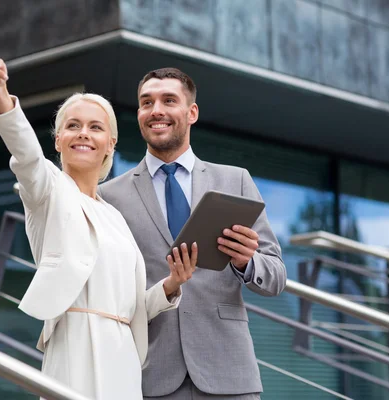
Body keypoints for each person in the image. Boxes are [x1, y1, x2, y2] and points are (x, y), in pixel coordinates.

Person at [0, 45, 196, 399]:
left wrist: (171, 285)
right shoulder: (47, 190)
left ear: (110, 144)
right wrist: (1, 97)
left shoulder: (115, 217)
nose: (84, 133)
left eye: (95, 127)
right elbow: (26, 154)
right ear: (58, 140)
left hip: (123, 356)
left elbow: (133, 307)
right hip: (74, 348)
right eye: (72, 126)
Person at [97, 68, 287, 400]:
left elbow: (276, 277)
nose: (156, 110)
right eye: (146, 102)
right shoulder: (110, 196)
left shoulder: (235, 181)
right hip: (150, 378)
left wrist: (247, 262)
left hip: (229, 375)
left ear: (192, 113)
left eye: (169, 100)